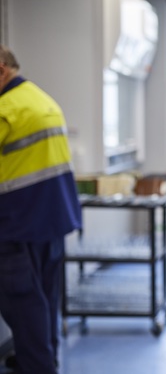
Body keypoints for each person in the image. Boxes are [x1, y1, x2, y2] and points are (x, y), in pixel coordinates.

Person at [0, 45, 82, 374]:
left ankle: (38, 366)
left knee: (23, 303)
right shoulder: (42, 99)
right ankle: (43, 359)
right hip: (51, 219)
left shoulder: (7, 108)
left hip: (16, 223)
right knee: (45, 300)